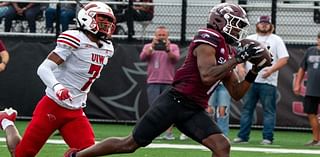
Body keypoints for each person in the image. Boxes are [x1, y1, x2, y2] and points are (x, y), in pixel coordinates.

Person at [64, 3, 270, 157]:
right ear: (220, 21)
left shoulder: (227, 48)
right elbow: (207, 76)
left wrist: (255, 70)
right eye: (235, 25)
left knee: (222, 146)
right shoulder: (207, 37)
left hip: (193, 108)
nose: (237, 30)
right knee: (128, 145)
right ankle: (76, 156)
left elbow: (236, 93)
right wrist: (239, 58)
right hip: (175, 102)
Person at [0, 2, 116, 156]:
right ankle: (6, 121)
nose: (106, 24)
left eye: (108, 20)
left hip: (75, 110)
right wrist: (58, 87)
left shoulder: (107, 48)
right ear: (86, 18)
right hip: (53, 105)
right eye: (102, 18)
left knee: (88, 153)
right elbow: (43, 68)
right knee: (21, 155)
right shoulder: (75, 38)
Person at [233, 15, 289, 145]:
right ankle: (243, 136)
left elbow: (284, 58)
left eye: (266, 23)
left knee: (268, 110)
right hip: (250, 80)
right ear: (257, 24)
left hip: (268, 82)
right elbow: (239, 56)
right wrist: (240, 67)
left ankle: (267, 138)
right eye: (262, 23)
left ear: (271, 25)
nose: (264, 25)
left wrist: (271, 70)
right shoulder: (250, 39)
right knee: (247, 109)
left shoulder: (276, 39)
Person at [140, 25, 180, 140]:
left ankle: (168, 133)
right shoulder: (148, 46)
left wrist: (167, 50)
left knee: (169, 108)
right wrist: (152, 47)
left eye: (163, 35)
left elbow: (175, 59)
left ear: (167, 36)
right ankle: (154, 132)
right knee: (154, 109)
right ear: (155, 36)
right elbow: (142, 57)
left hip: (168, 82)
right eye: (159, 35)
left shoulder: (173, 46)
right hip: (153, 82)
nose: (161, 37)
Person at [293, 32, 320, 146]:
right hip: (312, 89)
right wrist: (297, 84)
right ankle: (316, 139)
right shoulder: (310, 51)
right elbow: (302, 68)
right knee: (310, 112)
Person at [208, 65, 246, 136]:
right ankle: (208, 133)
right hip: (211, 82)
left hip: (225, 83)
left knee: (223, 110)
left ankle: (223, 134)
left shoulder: (229, 54)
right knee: (209, 109)